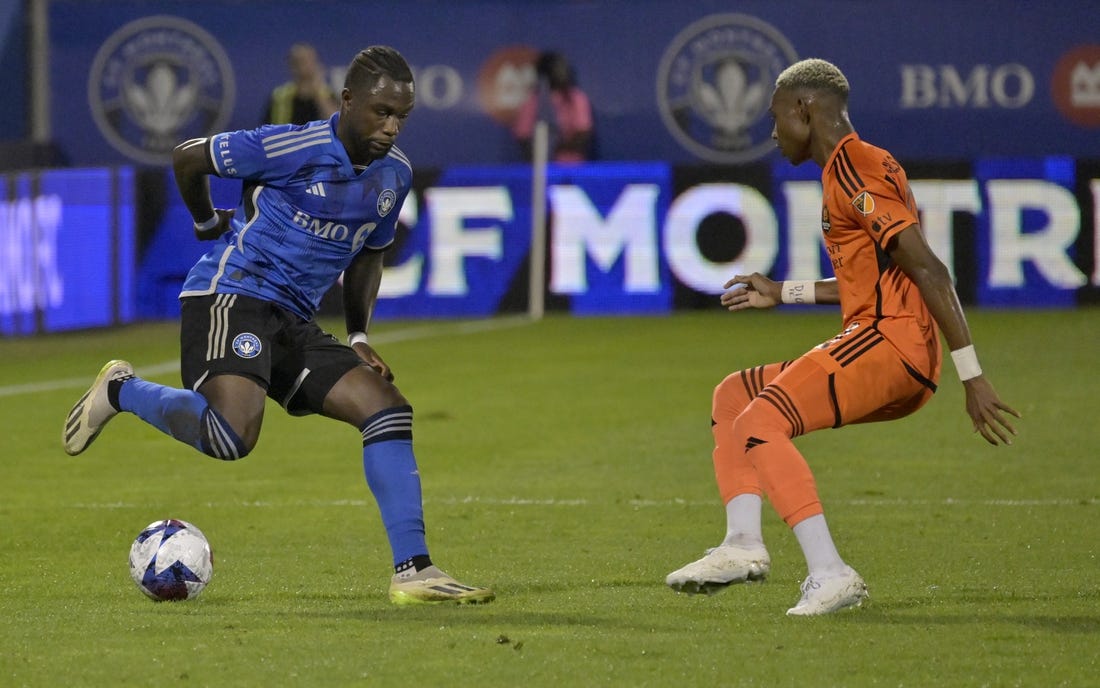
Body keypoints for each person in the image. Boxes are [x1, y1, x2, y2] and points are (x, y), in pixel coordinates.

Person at [63, 45, 494, 606]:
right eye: (380, 112)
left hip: (293, 316)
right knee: (231, 435)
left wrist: (360, 336)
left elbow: (369, 256)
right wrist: (204, 220)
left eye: (401, 117)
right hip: (230, 293)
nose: (391, 128)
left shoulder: (394, 177)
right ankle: (121, 390)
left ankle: (414, 572)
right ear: (347, 102)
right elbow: (189, 156)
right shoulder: (291, 145)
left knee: (386, 409)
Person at [664, 58, 1020, 616]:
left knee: (761, 418)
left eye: (777, 116)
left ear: (805, 109)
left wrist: (972, 376)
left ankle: (831, 573)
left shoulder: (856, 167)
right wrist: (782, 292)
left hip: (891, 344)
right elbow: (868, 279)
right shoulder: (844, 170)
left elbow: (930, 270)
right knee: (734, 395)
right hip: (877, 337)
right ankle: (741, 546)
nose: (774, 131)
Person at [512, 51, 594, 163]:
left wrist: (554, 146)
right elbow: (523, 136)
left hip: (570, 169)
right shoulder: (532, 101)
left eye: (563, 68)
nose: (562, 72)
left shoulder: (576, 98)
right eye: (557, 68)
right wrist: (540, 153)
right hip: (539, 170)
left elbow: (583, 133)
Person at [263, 43, 340, 125]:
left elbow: (337, 125)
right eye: (297, 62)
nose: (303, 66)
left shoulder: (329, 95)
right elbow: (271, 131)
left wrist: (318, 94)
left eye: (308, 61)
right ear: (291, 66)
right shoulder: (280, 97)